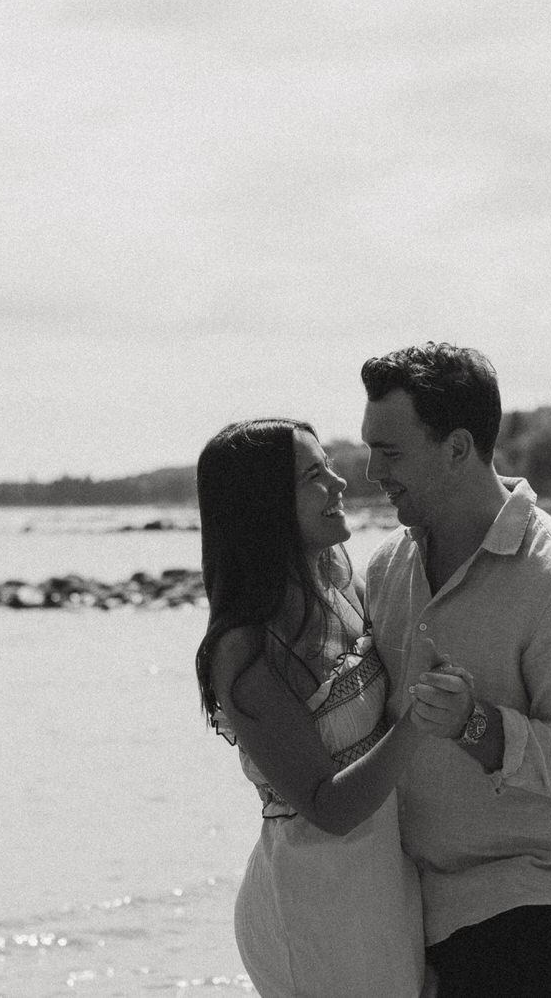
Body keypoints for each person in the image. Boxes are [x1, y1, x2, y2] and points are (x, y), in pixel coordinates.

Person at [360, 344, 551, 998]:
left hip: (527, 897)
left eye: (390, 452)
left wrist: (476, 725)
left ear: (456, 448)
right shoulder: (385, 567)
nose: (371, 470)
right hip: (411, 904)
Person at [195, 417, 464, 998]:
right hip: (311, 905)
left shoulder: (345, 587)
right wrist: (418, 718)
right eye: (315, 476)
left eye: (329, 468)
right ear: (264, 507)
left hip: (381, 891)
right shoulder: (244, 649)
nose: (340, 484)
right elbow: (329, 807)